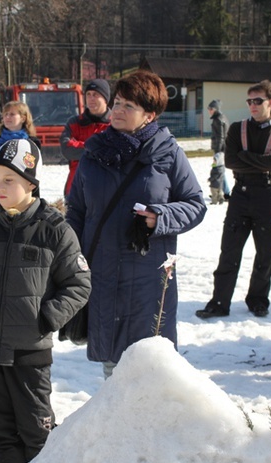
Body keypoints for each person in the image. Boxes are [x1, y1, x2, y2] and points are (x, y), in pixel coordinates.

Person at [0, 138, 91, 463]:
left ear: (31, 182)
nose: (0, 187)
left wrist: (46, 318)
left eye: (9, 180)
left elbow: (79, 283)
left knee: (36, 433)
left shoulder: (54, 230)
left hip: (29, 353)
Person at [66, 70, 206, 378]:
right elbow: (76, 209)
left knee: (149, 365)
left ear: (149, 115)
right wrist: (69, 259)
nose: (117, 110)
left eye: (128, 106)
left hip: (147, 277)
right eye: (117, 102)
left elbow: (196, 204)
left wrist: (162, 216)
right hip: (100, 273)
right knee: (113, 366)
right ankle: (118, 423)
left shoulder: (166, 153)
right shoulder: (94, 152)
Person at [196, 80, 271, 319]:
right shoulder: (237, 128)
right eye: (249, 101)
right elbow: (230, 161)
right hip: (241, 194)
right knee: (229, 250)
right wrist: (260, 161)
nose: (252, 105)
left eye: (258, 101)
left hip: (267, 196)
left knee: (265, 253)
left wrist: (246, 157)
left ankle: (258, 299)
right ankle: (219, 301)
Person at [0, 101, 40, 212]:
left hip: (24, 198)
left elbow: (33, 172)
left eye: (12, 114)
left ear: (23, 118)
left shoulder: (32, 143)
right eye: (5, 114)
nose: (7, 117)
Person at [60, 78, 112, 197]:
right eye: (88, 94)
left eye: (96, 94)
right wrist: (98, 148)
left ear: (105, 99)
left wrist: (80, 145)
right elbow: (67, 150)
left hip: (106, 191)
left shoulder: (115, 124)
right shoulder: (74, 122)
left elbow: (115, 152)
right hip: (75, 189)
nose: (91, 98)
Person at [206, 99, 229, 204]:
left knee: (219, 170)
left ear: (215, 109)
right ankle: (224, 191)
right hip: (221, 148)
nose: (209, 111)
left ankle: (224, 192)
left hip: (220, 149)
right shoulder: (219, 118)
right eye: (208, 108)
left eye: (210, 109)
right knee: (220, 171)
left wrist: (218, 151)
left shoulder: (218, 119)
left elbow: (221, 136)